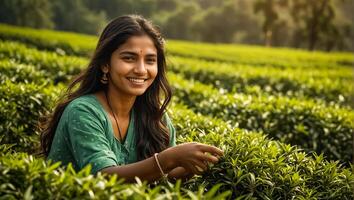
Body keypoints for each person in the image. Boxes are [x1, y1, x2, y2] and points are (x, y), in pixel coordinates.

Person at [39, 15, 223, 183]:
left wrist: (190, 166)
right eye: (129, 58)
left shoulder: (155, 116)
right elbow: (104, 177)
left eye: (150, 60)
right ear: (105, 64)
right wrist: (170, 158)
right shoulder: (83, 111)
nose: (141, 70)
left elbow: (163, 177)